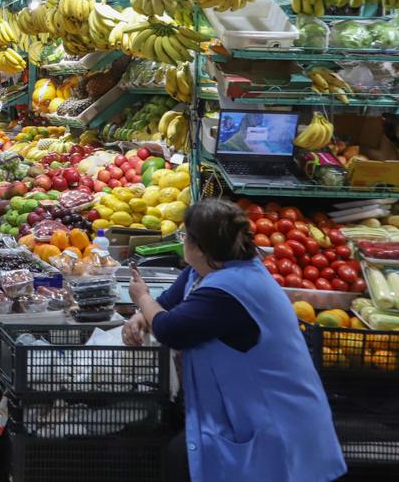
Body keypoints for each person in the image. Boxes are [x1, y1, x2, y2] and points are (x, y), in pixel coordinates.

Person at [124, 199, 344, 482]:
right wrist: (142, 316)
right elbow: (166, 303)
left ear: (199, 246)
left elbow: (170, 328)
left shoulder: (231, 289)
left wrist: (142, 298)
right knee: (181, 459)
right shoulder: (206, 271)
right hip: (241, 414)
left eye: (184, 235)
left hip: (277, 423)